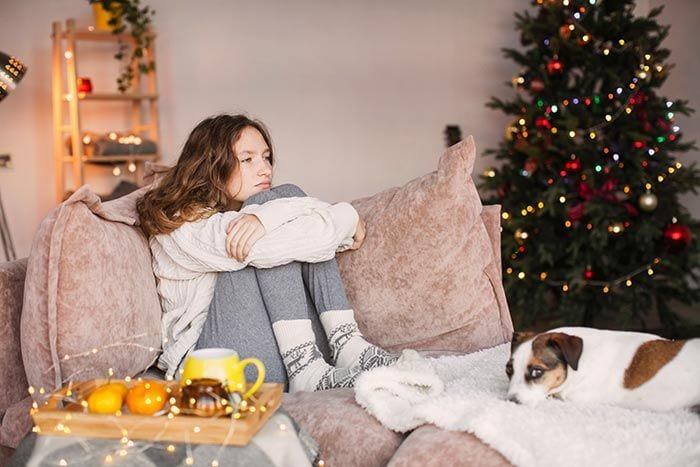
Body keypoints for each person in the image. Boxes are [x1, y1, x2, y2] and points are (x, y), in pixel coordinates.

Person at [137, 114, 397, 392]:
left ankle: (345, 344)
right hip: (215, 366)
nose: (265, 170)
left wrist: (269, 218)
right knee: (276, 215)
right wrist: (344, 215)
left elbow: (304, 238)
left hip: (272, 353)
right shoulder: (181, 223)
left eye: (266, 157)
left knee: (280, 205)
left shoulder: (242, 214)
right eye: (247, 159)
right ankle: (307, 366)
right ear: (210, 165)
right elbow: (281, 244)